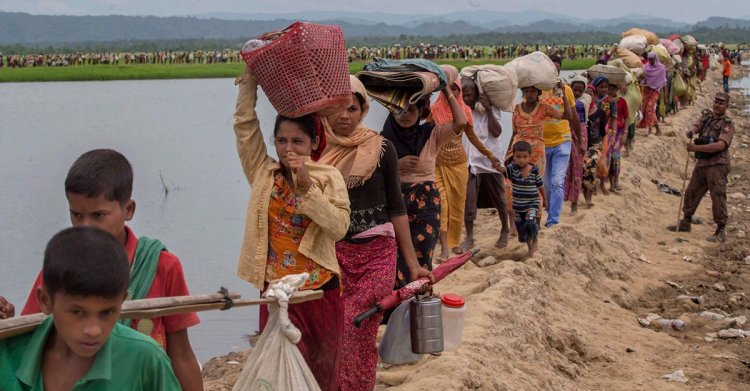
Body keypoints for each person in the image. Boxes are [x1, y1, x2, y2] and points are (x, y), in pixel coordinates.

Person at [20, 149, 202, 391]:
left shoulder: (161, 265)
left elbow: (181, 354)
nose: (86, 227)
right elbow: (32, 333)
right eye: (76, 215)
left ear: (128, 210)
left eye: (98, 216)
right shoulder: (61, 268)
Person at [233, 68, 350, 391]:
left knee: (322, 374)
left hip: (319, 291)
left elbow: (339, 228)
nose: (288, 149)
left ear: (313, 143)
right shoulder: (264, 173)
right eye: (282, 141)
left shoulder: (328, 177)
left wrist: (308, 188)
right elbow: (245, 129)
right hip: (277, 292)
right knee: (277, 374)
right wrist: (250, 81)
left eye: (297, 141)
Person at [319, 76, 431, 391]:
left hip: (377, 255)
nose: (344, 116)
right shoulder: (318, 151)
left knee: (354, 324)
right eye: (337, 109)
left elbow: (397, 209)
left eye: (352, 108)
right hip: (334, 255)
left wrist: (413, 265)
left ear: (363, 110)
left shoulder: (381, 148)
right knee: (339, 332)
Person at [0, 227, 181, 390]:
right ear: (45, 301)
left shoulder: (145, 361)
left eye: (107, 312)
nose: (94, 330)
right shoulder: (6, 358)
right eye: (78, 312)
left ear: (122, 301)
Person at [380, 80, 467, 287]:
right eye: (399, 110)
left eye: (411, 109)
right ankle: (397, 305)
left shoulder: (432, 134)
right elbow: (375, 174)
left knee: (423, 256)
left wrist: (446, 89)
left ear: (421, 111)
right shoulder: (382, 141)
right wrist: (396, 165)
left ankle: (419, 300)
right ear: (392, 112)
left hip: (425, 206)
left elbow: (461, 122)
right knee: (394, 256)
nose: (404, 115)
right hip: (394, 205)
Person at [431, 66, 502, 259]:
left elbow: (473, 138)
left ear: (459, 91)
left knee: (457, 207)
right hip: (438, 164)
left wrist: (491, 156)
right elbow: (423, 136)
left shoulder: (464, 112)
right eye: (447, 88)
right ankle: (444, 247)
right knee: (443, 206)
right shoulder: (434, 111)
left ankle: (454, 243)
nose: (450, 92)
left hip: (459, 165)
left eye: (454, 89)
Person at [668, 92, 734, 243]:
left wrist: (695, 149)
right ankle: (686, 221)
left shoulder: (727, 124)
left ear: (726, 106)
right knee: (692, 191)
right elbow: (697, 124)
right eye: (716, 102)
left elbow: (720, 145)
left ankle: (720, 230)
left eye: (721, 103)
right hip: (703, 163)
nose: (717, 105)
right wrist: (692, 130)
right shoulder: (707, 117)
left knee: (717, 195)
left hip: (718, 164)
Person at [506, 82, 571, 232]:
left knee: (535, 185)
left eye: (533, 91)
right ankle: (515, 223)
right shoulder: (517, 108)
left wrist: (564, 93)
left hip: (536, 152)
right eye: (527, 91)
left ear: (538, 93)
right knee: (510, 185)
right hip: (518, 151)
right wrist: (508, 151)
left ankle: (536, 221)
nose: (530, 94)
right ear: (523, 92)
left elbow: (567, 115)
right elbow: (514, 132)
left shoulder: (544, 108)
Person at [460, 76, 511, 250]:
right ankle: (470, 237)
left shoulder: (491, 108)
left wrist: (488, 110)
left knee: (499, 198)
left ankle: (505, 229)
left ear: (476, 94)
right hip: (471, 159)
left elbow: (496, 133)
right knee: (469, 199)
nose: (466, 99)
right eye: (463, 96)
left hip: (491, 161)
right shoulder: (463, 111)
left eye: (469, 95)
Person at [540, 54, 584, 227]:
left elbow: (573, 117)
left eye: (557, 67)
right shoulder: (537, 90)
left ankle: (553, 220)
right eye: (551, 66)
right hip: (542, 143)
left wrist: (580, 140)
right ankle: (550, 208)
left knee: (558, 182)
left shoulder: (566, 90)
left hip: (562, 140)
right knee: (546, 184)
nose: (554, 69)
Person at [498, 141, 546, 256]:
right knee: (522, 231)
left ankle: (535, 241)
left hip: (532, 204)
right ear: (513, 157)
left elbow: (540, 186)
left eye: (525, 157)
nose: (521, 160)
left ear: (530, 156)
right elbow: (503, 171)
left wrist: (545, 200)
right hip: (518, 207)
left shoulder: (534, 171)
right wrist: (497, 166)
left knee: (530, 222)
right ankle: (530, 248)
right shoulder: (512, 169)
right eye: (518, 157)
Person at [584, 77, 617, 202]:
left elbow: (614, 118)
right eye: (601, 87)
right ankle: (590, 187)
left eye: (605, 87)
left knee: (603, 161)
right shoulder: (589, 99)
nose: (603, 89)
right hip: (589, 133)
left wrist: (613, 134)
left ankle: (602, 183)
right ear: (596, 88)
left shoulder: (611, 101)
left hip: (604, 133)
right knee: (590, 162)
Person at [566, 76, 590, 215]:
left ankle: (574, 203)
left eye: (580, 90)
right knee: (566, 167)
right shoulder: (566, 98)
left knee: (577, 167)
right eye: (574, 90)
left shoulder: (585, 100)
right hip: (565, 131)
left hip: (580, 132)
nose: (577, 93)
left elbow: (576, 107)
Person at [606, 82, 629, 192]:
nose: (610, 91)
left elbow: (627, 118)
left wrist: (625, 133)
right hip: (607, 131)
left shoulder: (622, 102)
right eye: (608, 89)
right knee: (608, 157)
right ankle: (611, 183)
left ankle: (616, 181)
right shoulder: (605, 101)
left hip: (618, 131)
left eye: (612, 89)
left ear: (616, 90)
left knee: (615, 157)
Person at [638, 52, 666, 136]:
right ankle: (653, 129)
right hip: (646, 89)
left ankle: (655, 129)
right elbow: (644, 78)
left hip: (655, 91)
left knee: (650, 109)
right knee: (645, 109)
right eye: (649, 59)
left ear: (655, 58)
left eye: (652, 59)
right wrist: (641, 80)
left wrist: (665, 95)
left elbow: (664, 82)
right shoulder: (646, 67)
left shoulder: (661, 68)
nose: (650, 61)